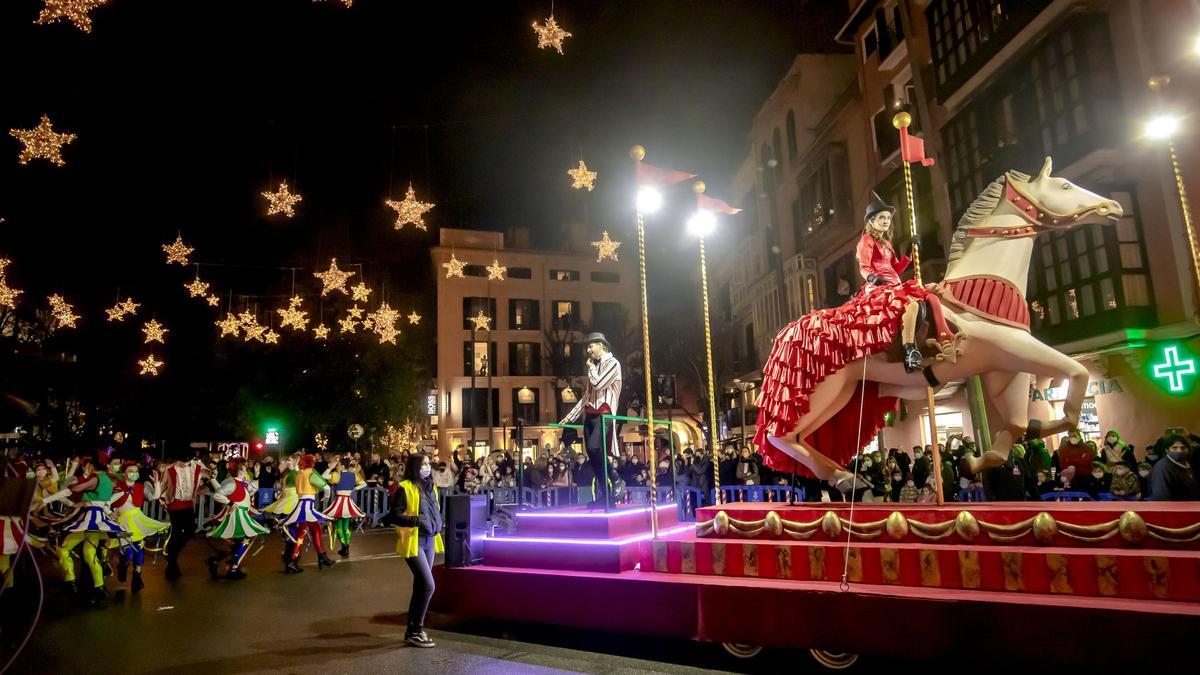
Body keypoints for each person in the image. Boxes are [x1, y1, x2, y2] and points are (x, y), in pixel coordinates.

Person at [384, 453, 443, 649]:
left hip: (429, 540)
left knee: (421, 586)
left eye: (428, 463)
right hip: (414, 540)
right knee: (428, 585)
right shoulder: (405, 487)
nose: (428, 467)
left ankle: (412, 631)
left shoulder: (431, 487)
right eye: (424, 464)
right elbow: (394, 516)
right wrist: (416, 521)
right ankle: (416, 630)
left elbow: (434, 510)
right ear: (415, 466)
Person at [558, 332, 623, 509]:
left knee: (595, 447)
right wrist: (570, 417)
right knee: (593, 456)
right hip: (591, 415)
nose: (588, 350)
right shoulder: (596, 367)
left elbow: (599, 384)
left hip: (605, 413)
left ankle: (615, 478)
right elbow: (587, 396)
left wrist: (591, 369)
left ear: (601, 345)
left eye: (591, 346)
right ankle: (606, 495)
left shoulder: (613, 363)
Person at [206, 459, 270, 580]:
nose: (247, 471)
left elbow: (251, 490)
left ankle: (219, 561)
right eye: (246, 469)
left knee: (239, 542)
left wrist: (256, 476)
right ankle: (232, 566)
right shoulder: (232, 482)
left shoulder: (240, 482)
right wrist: (230, 502)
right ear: (241, 471)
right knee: (244, 540)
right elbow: (218, 495)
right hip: (236, 515)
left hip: (241, 515)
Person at [111, 461, 168, 593]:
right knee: (127, 552)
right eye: (131, 471)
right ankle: (123, 567)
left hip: (137, 520)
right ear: (123, 473)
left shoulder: (140, 486)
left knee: (138, 549)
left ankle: (137, 577)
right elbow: (107, 503)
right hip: (122, 522)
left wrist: (157, 484)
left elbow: (154, 496)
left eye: (136, 471)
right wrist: (110, 513)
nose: (134, 473)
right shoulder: (116, 487)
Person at [160, 449, 207, 581]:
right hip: (175, 504)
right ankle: (172, 564)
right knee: (175, 533)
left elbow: (209, 475)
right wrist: (163, 500)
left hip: (188, 504)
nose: (186, 463)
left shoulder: (197, 466)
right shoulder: (170, 469)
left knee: (190, 530)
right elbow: (163, 486)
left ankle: (171, 555)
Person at [282, 454, 334, 573]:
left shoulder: (299, 473)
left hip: (301, 503)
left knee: (315, 530)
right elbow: (326, 487)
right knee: (302, 534)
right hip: (307, 506)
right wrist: (326, 497)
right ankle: (292, 560)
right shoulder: (310, 473)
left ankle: (322, 556)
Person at [322, 457, 368, 558]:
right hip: (348, 500)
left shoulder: (338, 475)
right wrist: (354, 489)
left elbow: (324, 476)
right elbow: (364, 483)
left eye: (338, 465)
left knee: (338, 525)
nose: (337, 466)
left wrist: (330, 468)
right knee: (346, 525)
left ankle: (344, 547)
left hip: (339, 501)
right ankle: (346, 547)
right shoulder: (353, 475)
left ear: (342, 466)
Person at [1148, 435, 1199, 501]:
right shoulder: (1162, 468)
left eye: (1183, 448)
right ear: (1167, 450)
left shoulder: (1187, 463)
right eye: (1174, 448)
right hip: (1176, 509)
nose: (1179, 451)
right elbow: (1160, 496)